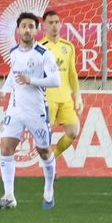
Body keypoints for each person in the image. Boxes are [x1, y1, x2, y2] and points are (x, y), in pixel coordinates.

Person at [0, 11, 61, 210]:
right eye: (24, 26)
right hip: (15, 109)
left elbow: (55, 81)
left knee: (44, 151)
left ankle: (49, 189)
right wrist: (4, 91)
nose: (27, 30)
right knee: (6, 147)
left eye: (31, 26)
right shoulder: (14, 52)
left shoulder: (43, 54)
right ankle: (9, 196)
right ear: (18, 29)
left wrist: (32, 80)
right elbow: (12, 75)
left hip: (36, 111)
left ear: (37, 30)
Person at [38, 10, 83, 166]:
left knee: (73, 132)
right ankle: (49, 171)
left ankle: (52, 159)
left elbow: (72, 73)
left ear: (61, 24)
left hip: (65, 98)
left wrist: (77, 96)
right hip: (46, 99)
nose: (54, 26)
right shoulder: (39, 48)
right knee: (46, 138)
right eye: (50, 23)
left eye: (57, 22)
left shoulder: (68, 46)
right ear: (44, 25)